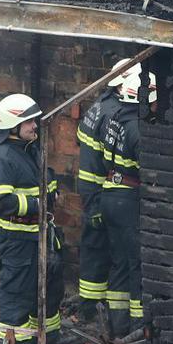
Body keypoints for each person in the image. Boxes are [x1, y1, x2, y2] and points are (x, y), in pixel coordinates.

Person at [0, 93, 64, 344]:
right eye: (29, 122)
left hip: (40, 234)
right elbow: (0, 201)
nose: (34, 126)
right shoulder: (1, 158)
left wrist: (52, 195)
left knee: (49, 284)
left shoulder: (31, 149)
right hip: (17, 237)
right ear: (12, 126)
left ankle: (48, 336)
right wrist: (39, 204)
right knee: (18, 290)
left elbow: (44, 181)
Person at [74, 59, 134, 322]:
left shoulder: (98, 107)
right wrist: (95, 203)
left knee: (95, 250)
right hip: (104, 192)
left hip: (97, 194)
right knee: (115, 255)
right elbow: (96, 166)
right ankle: (98, 313)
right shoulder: (114, 114)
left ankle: (91, 308)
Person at [99, 65, 155, 340]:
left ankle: (116, 324)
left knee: (119, 261)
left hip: (109, 193)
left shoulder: (114, 119)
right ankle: (136, 328)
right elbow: (149, 170)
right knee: (137, 263)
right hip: (128, 198)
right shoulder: (138, 130)